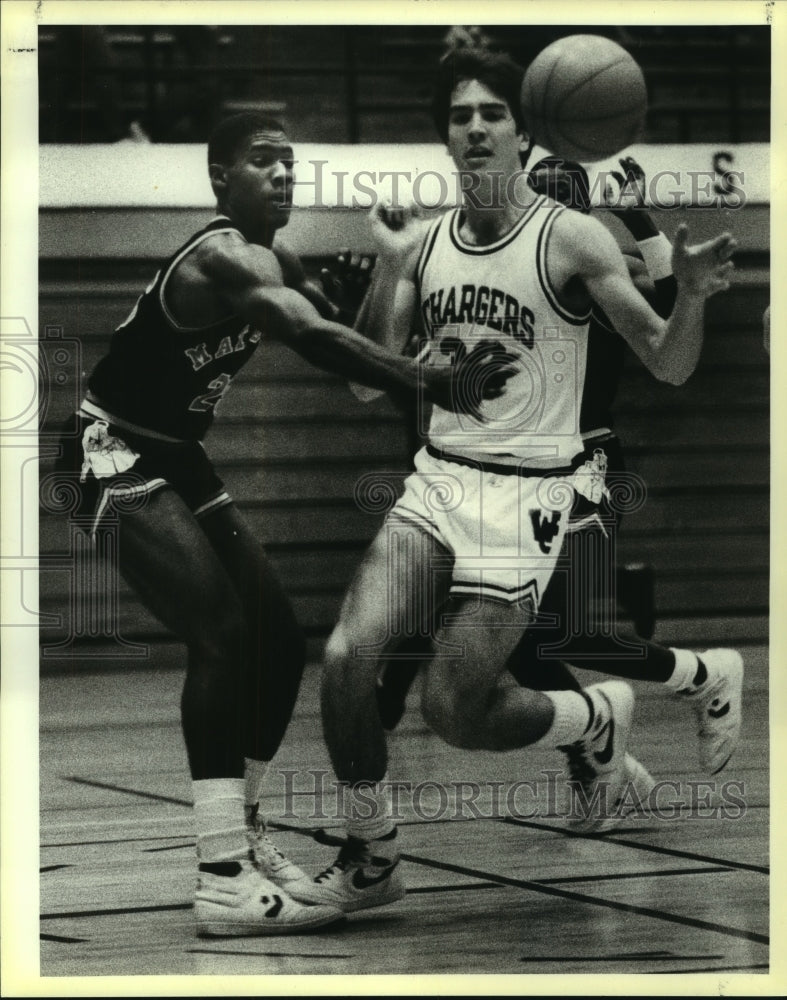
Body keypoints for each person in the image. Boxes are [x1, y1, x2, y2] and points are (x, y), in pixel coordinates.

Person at [289, 46, 737, 914]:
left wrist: (688, 296)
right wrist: (386, 261)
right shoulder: (423, 244)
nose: (476, 128)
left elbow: (668, 364)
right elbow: (360, 378)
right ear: (445, 140)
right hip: (439, 485)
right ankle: (371, 856)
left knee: (452, 711)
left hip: (526, 499)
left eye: (493, 113)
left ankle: (593, 717)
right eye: (460, 116)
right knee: (346, 657)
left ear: (525, 131)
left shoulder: (568, 235)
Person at [51, 110, 518, 937]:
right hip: (108, 450)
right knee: (223, 636)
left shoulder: (278, 257)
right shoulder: (220, 255)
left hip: (177, 456)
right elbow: (309, 334)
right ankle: (222, 877)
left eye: (289, 161)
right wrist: (430, 381)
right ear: (219, 179)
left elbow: (354, 358)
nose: (282, 173)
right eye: (262, 161)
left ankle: (247, 829)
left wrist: (395, 260)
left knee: (278, 636)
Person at [374, 154, 743, 799]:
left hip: (586, 463)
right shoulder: (508, 263)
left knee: (554, 630)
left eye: (555, 201)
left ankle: (696, 680)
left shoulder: (590, 263)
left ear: (577, 213)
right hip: (516, 472)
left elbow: (663, 305)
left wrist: (639, 218)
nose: (540, 214)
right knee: (515, 632)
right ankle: (601, 745)